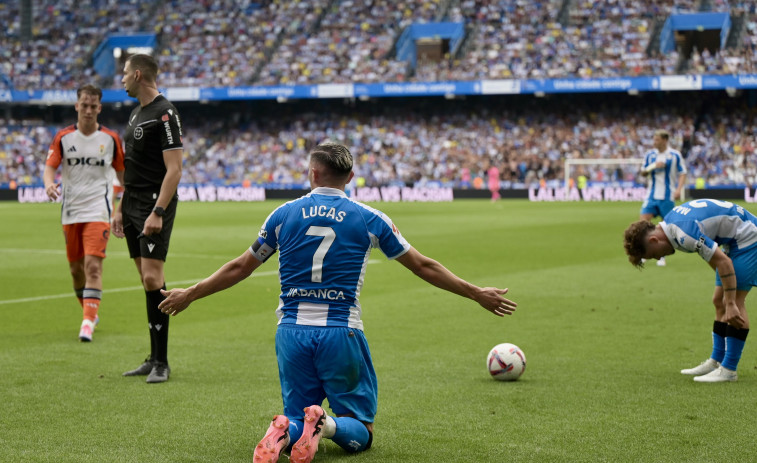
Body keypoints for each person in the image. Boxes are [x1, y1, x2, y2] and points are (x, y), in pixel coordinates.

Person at [158, 142, 518, 462]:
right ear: (351, 175)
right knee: (362, 429)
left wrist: (190, 293)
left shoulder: (282, 214)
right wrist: (475, 293)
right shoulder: (370, 218)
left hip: (292, 332)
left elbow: (240, 267)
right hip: (340, 331)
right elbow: (422, 265)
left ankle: (285, 432)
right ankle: (326, 426)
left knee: (296, 415)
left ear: (313, 173)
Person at [623, 198, 753, 383]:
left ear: (654, 239)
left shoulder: (683, 234)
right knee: (719, 300)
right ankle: (716, 361)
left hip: (749, 239)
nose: (659, 256)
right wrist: (725, 289)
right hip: (733, 240)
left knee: (735, 303)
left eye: (653, 254)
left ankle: (729, 369)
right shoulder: (671, 224)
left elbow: (723, 262)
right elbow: (714, 258)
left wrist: (730, 301)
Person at [112, 53, 183, 384]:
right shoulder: (136, 112)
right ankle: (153, 357)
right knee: (147, 280)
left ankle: (163, 362)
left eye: (125, 73)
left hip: (154, 204)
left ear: (138, 74)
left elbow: (175, 170)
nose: (122, 79)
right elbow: (131, 167)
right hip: (132, 203)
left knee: (154, 279)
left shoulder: (164, 113)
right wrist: (119, 207)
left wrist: (158, 211)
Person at [43, 84, 125, 342]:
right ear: (77, 106)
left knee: (92, 266)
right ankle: (90, 310)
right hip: (70, 212)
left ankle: (87, 322)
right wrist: (48, 184)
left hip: (98, 211)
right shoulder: (63, 137)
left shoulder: (110, 139)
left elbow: (123, 176)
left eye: (93, 106)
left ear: (99, 108)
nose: (89, 110)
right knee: (76, 270)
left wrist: (120, 205)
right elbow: (50, 168)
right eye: (84, 105)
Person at [638, 129, 687, 267]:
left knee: (666, 228)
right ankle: (644, 253)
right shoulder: (650, 155)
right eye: (654, 139)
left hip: (667, 196)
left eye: (657, 139)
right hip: (651, 196)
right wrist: (653, 166)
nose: (654, 142)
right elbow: (642, 172)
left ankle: (662, 256)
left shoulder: (675, 155)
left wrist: (678, 189)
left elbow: (683, 172)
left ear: (665, 140)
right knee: (642, 225)